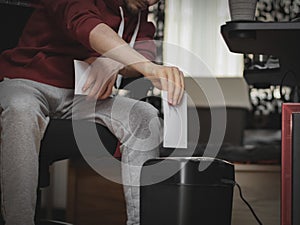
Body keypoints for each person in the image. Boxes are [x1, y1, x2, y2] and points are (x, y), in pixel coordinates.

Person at [0, 0, 185, 225]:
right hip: (27, 82)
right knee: (20, 107)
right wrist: (141, 65)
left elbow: (144, 50)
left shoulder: (137, 12)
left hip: (80, 96)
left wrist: (114, 62)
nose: (151, 1)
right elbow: (85, 24)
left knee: (143, 116)